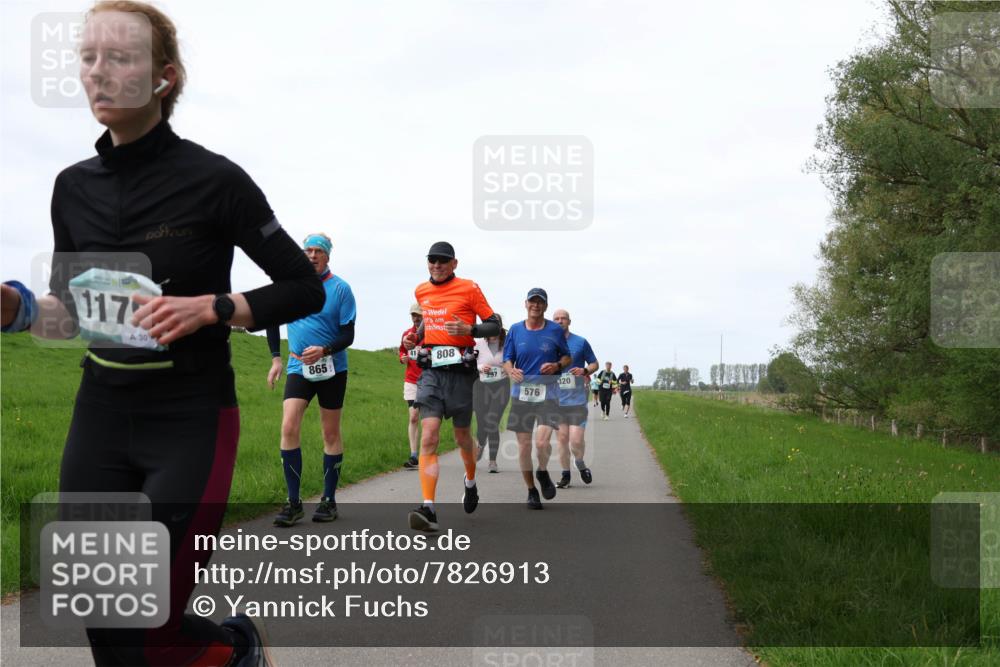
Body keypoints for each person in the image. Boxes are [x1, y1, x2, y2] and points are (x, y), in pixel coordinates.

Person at [0, 2, 324, 663]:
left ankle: (235, 647)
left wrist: (215, 307)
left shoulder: (217, 181)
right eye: (87, 57)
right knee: (107, 628)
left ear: (163, 78)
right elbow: (74, 310)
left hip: (191, 419)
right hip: (100, 416)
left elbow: (303, 286)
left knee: (150, 624)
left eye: (118, 58)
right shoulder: (71, 189)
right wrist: (19, 310)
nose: (97, 72)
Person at [402, 242, 501, 531]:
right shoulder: (421, 290)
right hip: (432, 372)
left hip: (461, 375)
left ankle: (470, 481)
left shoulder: (469, 288)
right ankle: (428, 507)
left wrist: (471, 330)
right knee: (429, 436)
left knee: (461, 438)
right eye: (432, 260)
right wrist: (414, 338)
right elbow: (428, 324)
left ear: (454, 263)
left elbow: (494, 325)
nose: (437, 265)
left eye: (443, 260)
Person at [266, 233, 356, 526]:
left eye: (318, 251)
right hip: (297, 366)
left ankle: (329, 501)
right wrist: (276, 359)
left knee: (330, 433)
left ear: (328, 256)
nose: (313, 255)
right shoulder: (292, 285)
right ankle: (293, 503)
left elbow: (348, 333)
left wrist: (325, 349)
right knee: (289, 425)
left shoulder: (341, 289)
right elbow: (271, 318)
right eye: (308, 251)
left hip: (331, 367)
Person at [502, 289, 571, 509]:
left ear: (545, 306)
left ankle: (542, 471)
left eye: (540, 302)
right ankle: (531, 490)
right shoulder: (515, 330)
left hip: (548, 393)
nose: (536, 305)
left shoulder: (555, 330)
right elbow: (507, 359)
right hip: (521, 394)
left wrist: (557, 366)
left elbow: (567, 357)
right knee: (523, 447)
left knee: (541, 443)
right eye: (533, 301)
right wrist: (510, 371)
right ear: (526, 304)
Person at [552, 309, 597, 488]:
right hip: (555, 401)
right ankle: (565, 475)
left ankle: (579, 462)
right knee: (562, 439)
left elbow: (594, 363)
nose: (560, 321)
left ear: (569, 321)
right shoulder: (547, 344)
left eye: (563, 318)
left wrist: (584, 370)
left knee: (576, 441)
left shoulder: (580, 342)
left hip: (577, 400)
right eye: (556, 319)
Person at [473, 314, 509, 473]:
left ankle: (493, 461)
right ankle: (481, 443)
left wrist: (509, 369)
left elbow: (515, 361)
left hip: (501, 386)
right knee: (482, 423)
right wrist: (480, 367)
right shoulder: (478, 342)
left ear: (500, 326)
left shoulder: (508, 343)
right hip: (481, 386)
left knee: (492, 421)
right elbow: (469, 361)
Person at [399, 303, 423, 469]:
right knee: (413, 416)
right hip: (411, 380)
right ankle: (414, 455)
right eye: (413, 315)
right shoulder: (407, 334)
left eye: (418, 315)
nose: (416, 318)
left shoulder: (430, 335)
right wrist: (403, 358)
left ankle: (427, 453)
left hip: (428, 380)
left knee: (429, 419)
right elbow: (402, 352)